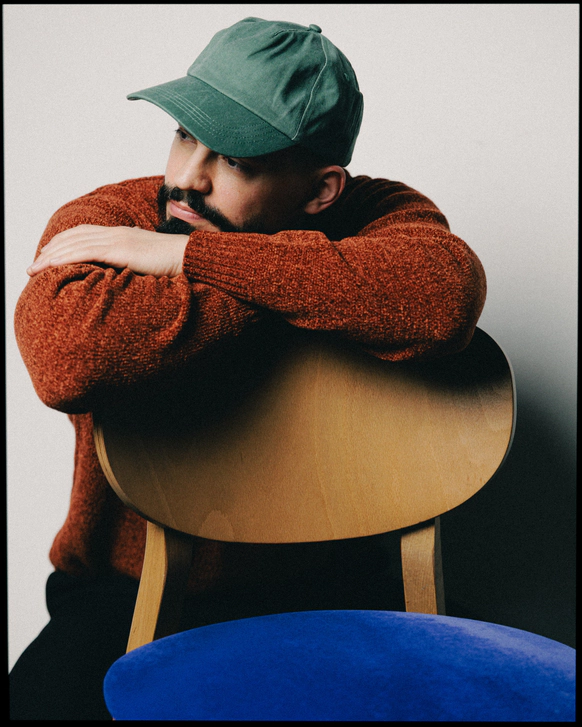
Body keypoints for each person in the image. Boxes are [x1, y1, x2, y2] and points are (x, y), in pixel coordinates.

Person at [10, 17, 486, 721]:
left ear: (323, 192)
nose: (186, 179)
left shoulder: (376, 211)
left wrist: (185, 257)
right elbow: (68, 358)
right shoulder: (112, 219)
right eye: (184, 135)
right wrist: (318, 288)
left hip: (335, 593)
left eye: (235, 160)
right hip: (124, 595)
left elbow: (440, 299)